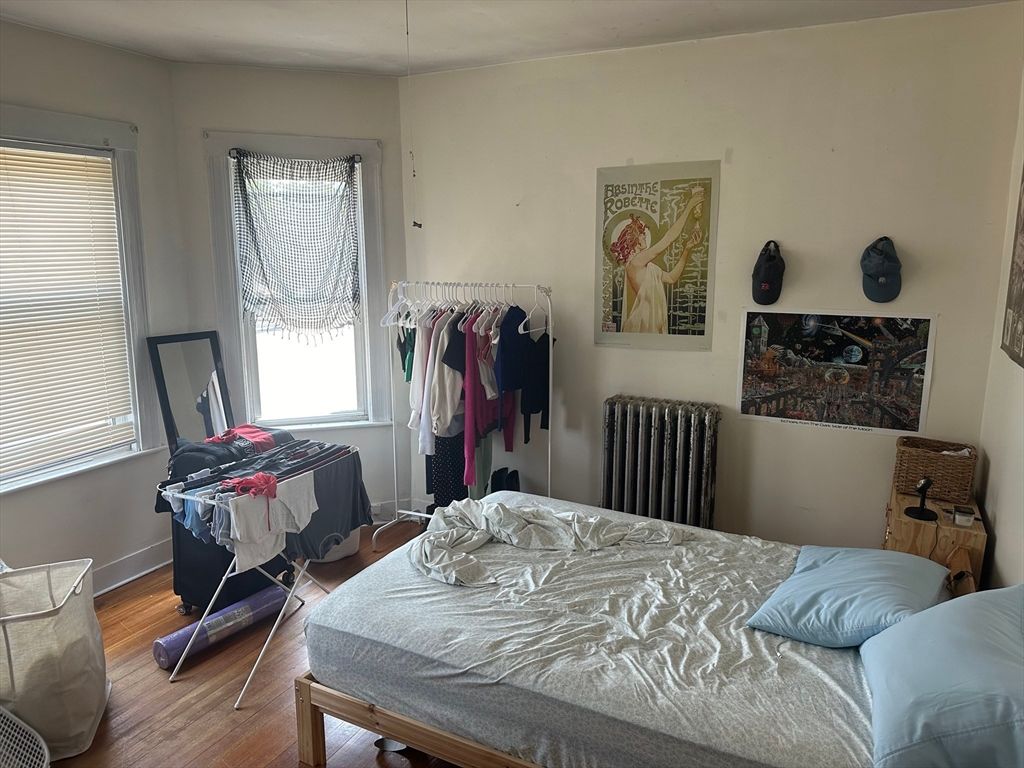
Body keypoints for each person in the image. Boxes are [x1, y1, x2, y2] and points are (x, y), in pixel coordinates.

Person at [611, 188, 705, 334]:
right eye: (642, 234)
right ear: (634, 238)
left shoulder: (648, 267)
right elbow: (668, 239)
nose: (644, 237)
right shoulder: (635, 262)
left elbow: (672, 278)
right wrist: (689, 206)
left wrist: (687, 249)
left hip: (652, 327)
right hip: (641, 326)